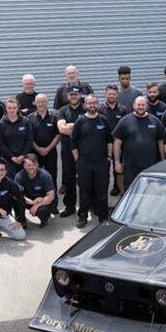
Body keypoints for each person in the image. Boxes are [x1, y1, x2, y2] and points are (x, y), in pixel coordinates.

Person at [71, 94, 113, 228]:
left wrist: (109, 157)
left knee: (101, 191)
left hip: (101, 162)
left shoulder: (104, 120)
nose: (92, 105)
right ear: (85, 105)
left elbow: (109, 140)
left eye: (94, 103)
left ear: (98, 104)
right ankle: (83, 216)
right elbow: (73, 141)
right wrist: (77, 158)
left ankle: (103, 216)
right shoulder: (80, 121)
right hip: (84, 163)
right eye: (90, 103)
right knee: (84, 191)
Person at [113, 96, 165, 191]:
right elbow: (117, 142)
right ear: (133, 105)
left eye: (143, 105)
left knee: (149, 193)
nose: (141, 107)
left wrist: (162, 161)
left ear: (147, 106)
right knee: (130, 192)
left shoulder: (155, 121)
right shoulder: (124, 121)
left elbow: (161, 142)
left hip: (150, 167)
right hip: (130, 167)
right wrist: (117, 162)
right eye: (138, 105)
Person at [57, 86, 86, 217]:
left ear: (80, 95)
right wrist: (79, 127)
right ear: (67, 96)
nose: (74, 96)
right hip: (67, 150)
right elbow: (62, 129)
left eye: (76, 94)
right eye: (71, 94)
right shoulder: (63, 110)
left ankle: (86, 206)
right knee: (69, 178)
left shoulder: (86, 109)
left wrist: (71, 125)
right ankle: (70, 206)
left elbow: (88, 128)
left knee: (85, 178)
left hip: (84, 150)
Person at [99, 84, 128, 196]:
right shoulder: (100, 109)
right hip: (104, 143)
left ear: (117, 95)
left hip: (119, 144)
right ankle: (103, 188)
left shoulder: (123, 110)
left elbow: (126, 127)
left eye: (114, 94)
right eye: (110, 94)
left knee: (119, 167)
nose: (112, 96)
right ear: (105, 94)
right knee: (105, 168)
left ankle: (117, 187)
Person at [28, 93, 60, 195]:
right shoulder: (29, 118)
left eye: (43, 102)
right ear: (35, 103)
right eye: (39, 102)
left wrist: (48, 148)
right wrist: (38, 149)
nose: (41, 104)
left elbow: (58, 135)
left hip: (50, 152)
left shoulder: (54, 117)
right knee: (35, 176)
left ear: (47, 102)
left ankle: (53, 202)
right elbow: (29, 136)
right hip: (35, 153)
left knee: (51, 176)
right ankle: (38, 200)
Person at [14, 154, 57, 228]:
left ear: (37, 165)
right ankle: (21, 218)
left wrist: (37, 206)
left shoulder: (45, 176)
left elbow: (51, 196)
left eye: (33, 164)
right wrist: (32, 202)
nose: (31, 167)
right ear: (24, 165)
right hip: (31, 199)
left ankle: (45, 219)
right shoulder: (19, 176)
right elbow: (16, 195)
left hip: (45, 200)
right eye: (28, 165)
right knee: (14, 198)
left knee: (42, 211)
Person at [0, 97, 33, 180]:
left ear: (18, 108)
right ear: (6, 108)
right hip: (8, 159)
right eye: (9, 108)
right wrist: (12, 157)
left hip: (23, 158)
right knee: (10, 183)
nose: (12, 110)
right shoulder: (1, 123)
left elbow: (29, 140)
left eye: (14, 108)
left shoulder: (25, 121)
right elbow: (0, 143)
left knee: (24, 183)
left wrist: (23, 155)